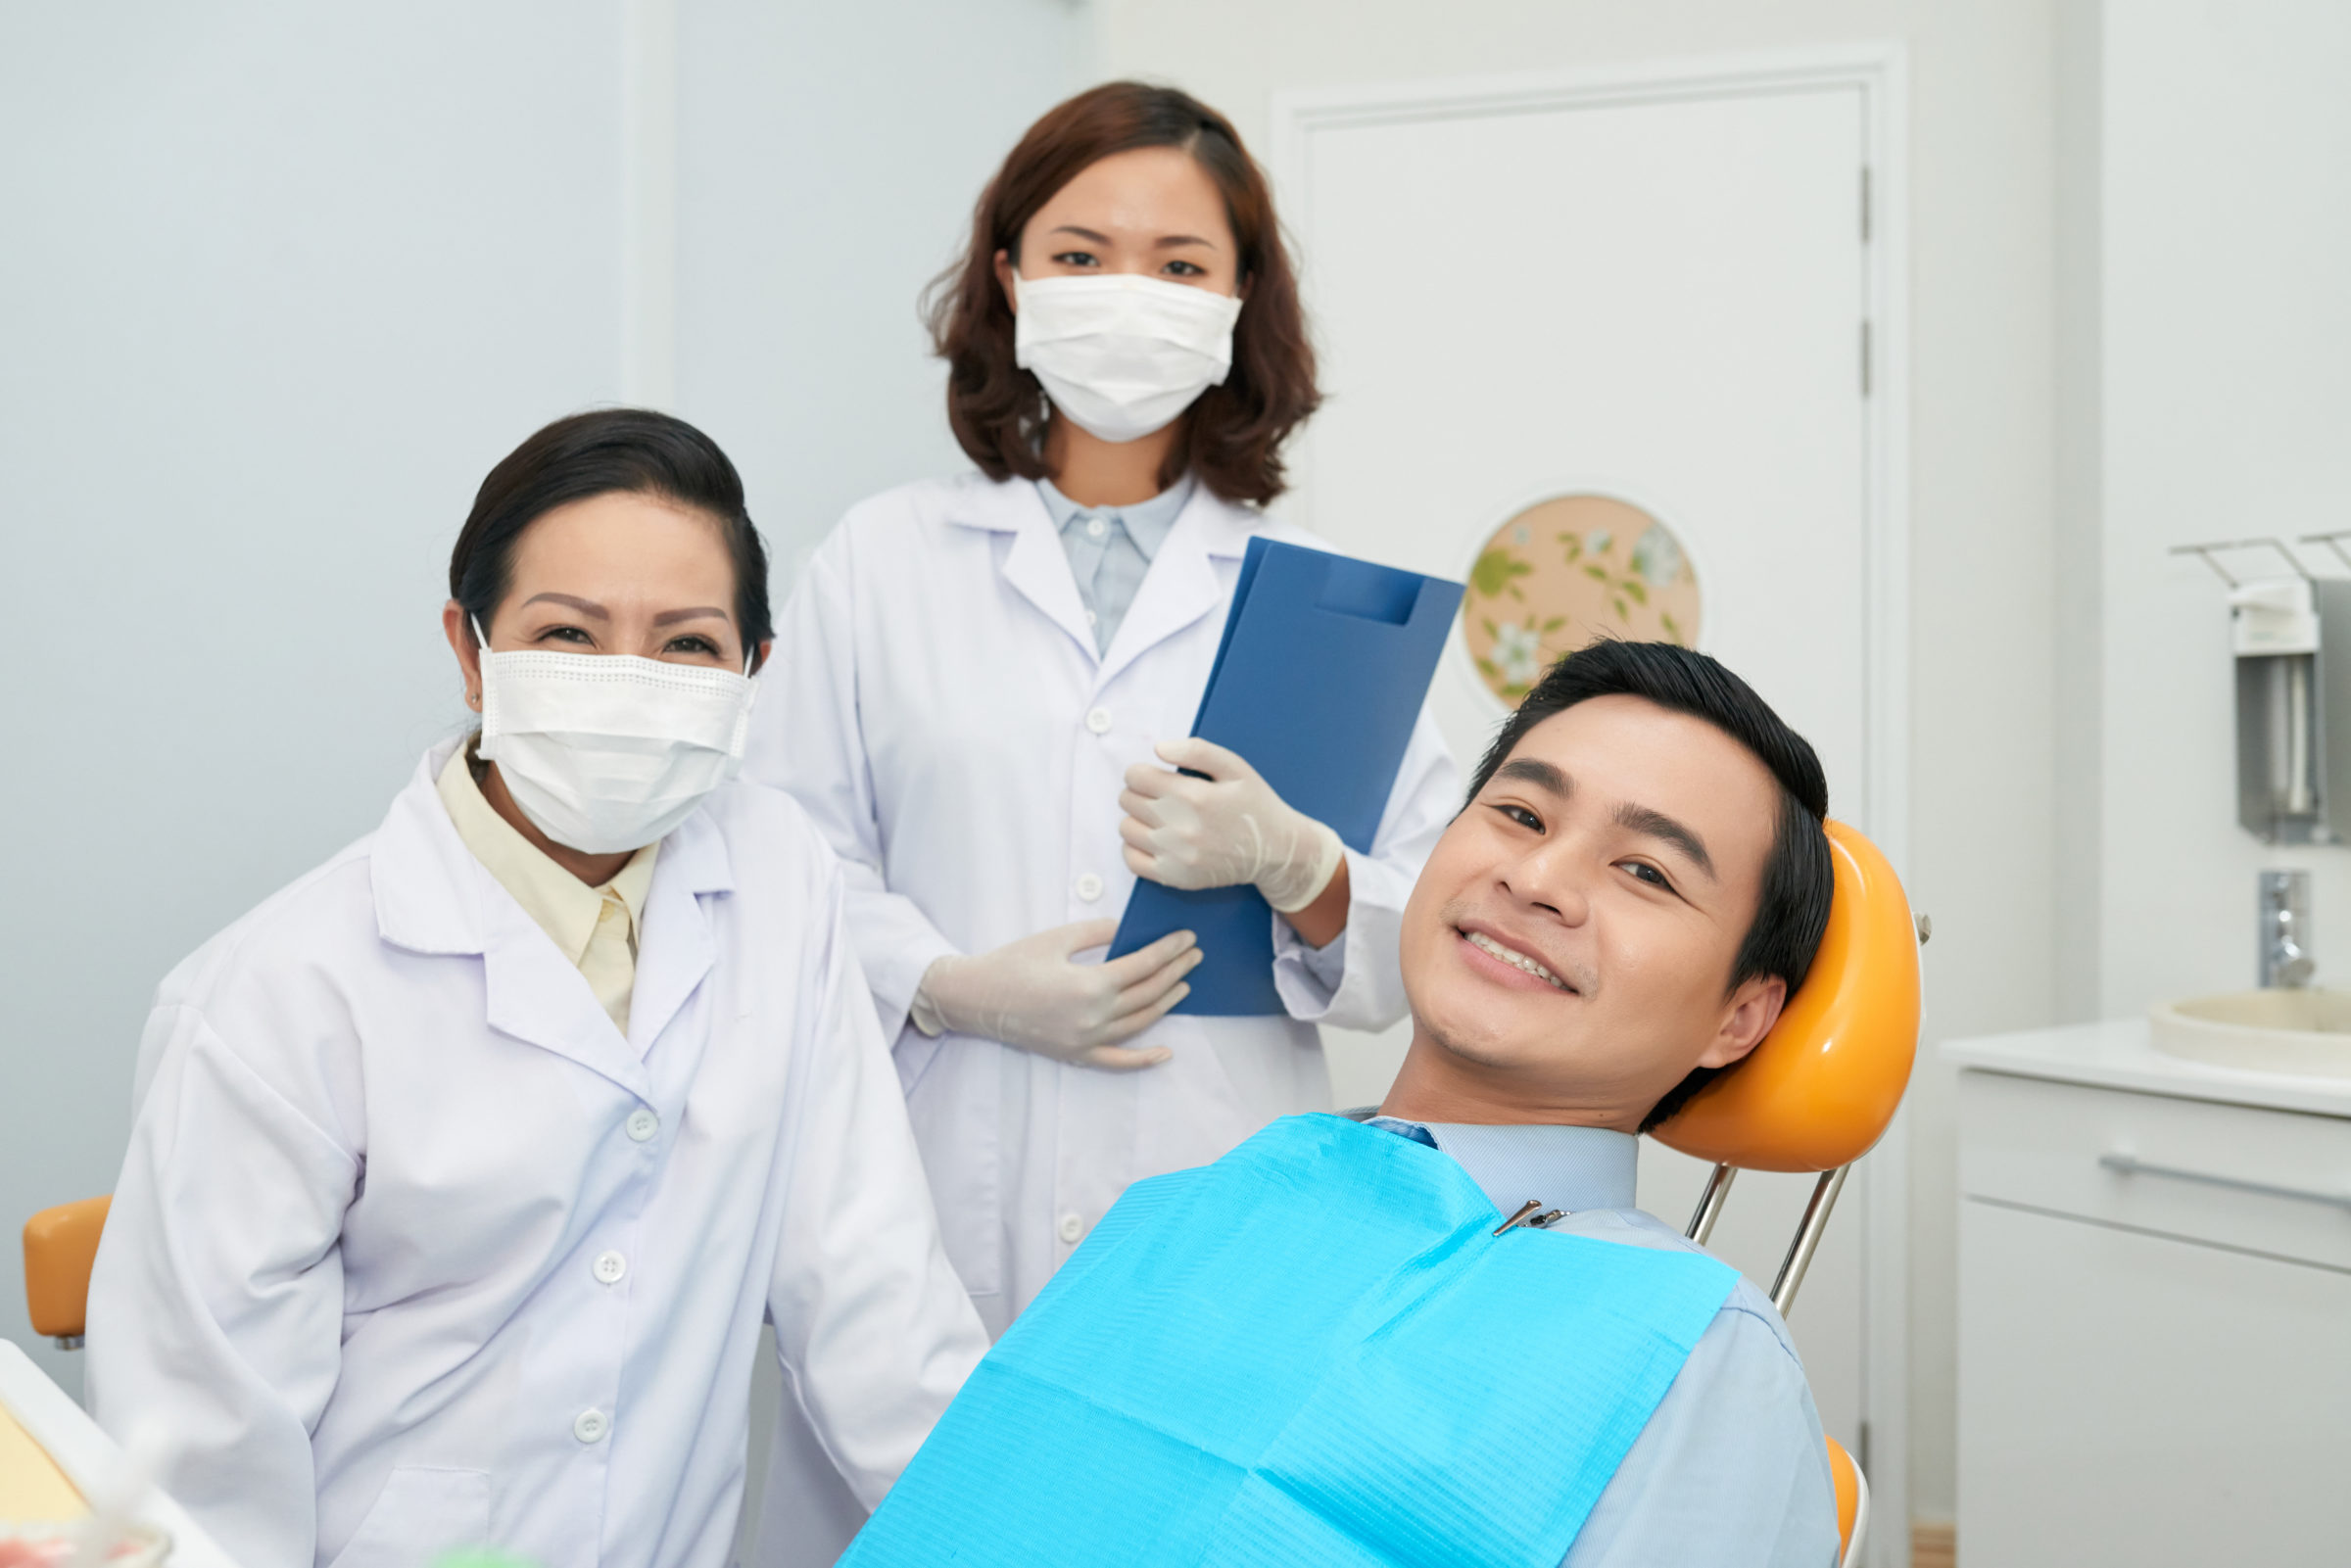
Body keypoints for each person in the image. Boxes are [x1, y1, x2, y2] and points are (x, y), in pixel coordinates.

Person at [86, 410, 987, 1568]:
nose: (627, 680)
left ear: (753, 672)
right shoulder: (281, 992)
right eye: (567, 632)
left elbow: (877, 1311)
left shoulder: (780, 878)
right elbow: (208, 1478)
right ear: (472, 652)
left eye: (688, 645)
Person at [837, 641, 1845, 1567]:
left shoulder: (1693, 1351)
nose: (1537, 878)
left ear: (1741, 1017)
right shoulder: (1179, 1212)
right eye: (1521, 813)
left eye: (1644, 870)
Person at [749, 82, 1457, 1327]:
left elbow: (1427, 943)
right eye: (1083, 254)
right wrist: (948, 981)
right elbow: (780, 859)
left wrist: (1303, 867)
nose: (1130, 292)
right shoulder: (881, 558)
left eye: (1180, 263)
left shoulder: (1332, 602)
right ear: (1014, 276)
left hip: (1219, 1195)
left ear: (1239, 304)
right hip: (929, 1181)